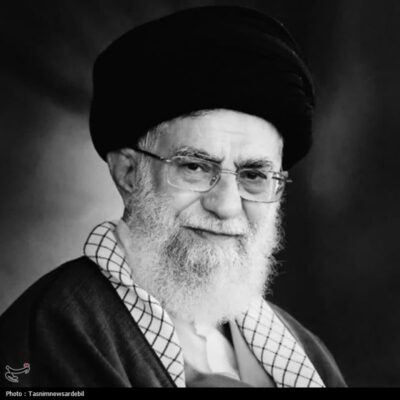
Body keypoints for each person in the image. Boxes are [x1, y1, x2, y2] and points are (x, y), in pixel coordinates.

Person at [0, 6, 346, 388]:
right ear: (128, 174)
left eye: (253, 176)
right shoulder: (55, 330)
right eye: (195, 167)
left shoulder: (305, 351)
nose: (226, 206)